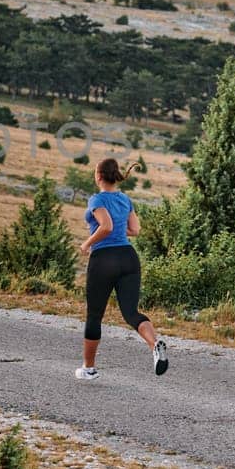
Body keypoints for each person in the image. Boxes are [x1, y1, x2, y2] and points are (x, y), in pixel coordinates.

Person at [75, 157, 168, 380]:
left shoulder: (96, 199)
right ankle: (154, 345)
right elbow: (135, 230)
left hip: (104, 259)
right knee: (131, 313)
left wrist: (87, 243)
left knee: (95, 316)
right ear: (114, 175)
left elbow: (106, 226)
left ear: (98, 176)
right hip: (128, 258)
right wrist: (115, 231)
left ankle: (88, 368)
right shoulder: (125, 199)